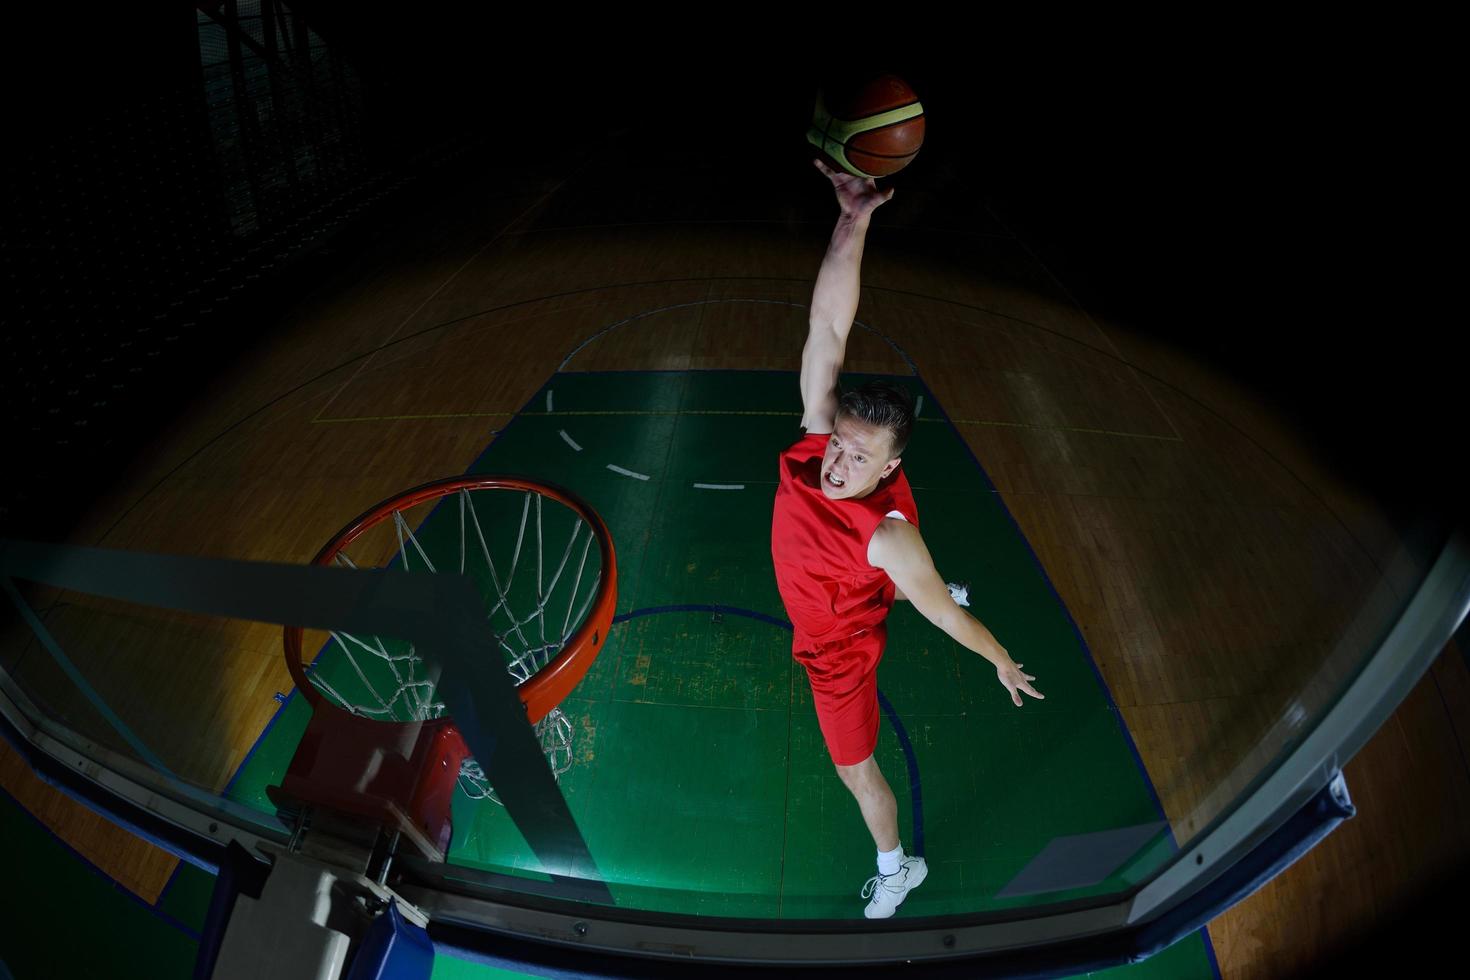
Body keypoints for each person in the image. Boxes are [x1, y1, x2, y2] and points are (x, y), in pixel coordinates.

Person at [770, 159, 1047, 919]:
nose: (838, 462)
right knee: (901, 569)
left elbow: (951, 622)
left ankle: (898, 867)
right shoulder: (819, 442)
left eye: (860, 459)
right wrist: (852, 218)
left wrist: (1001, 663)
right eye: (839, 445)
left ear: (892, 466)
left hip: (838, 650)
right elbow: (827, 326)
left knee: (858, 771)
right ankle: (905, 588)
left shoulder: (888, 535)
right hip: (859, 578)